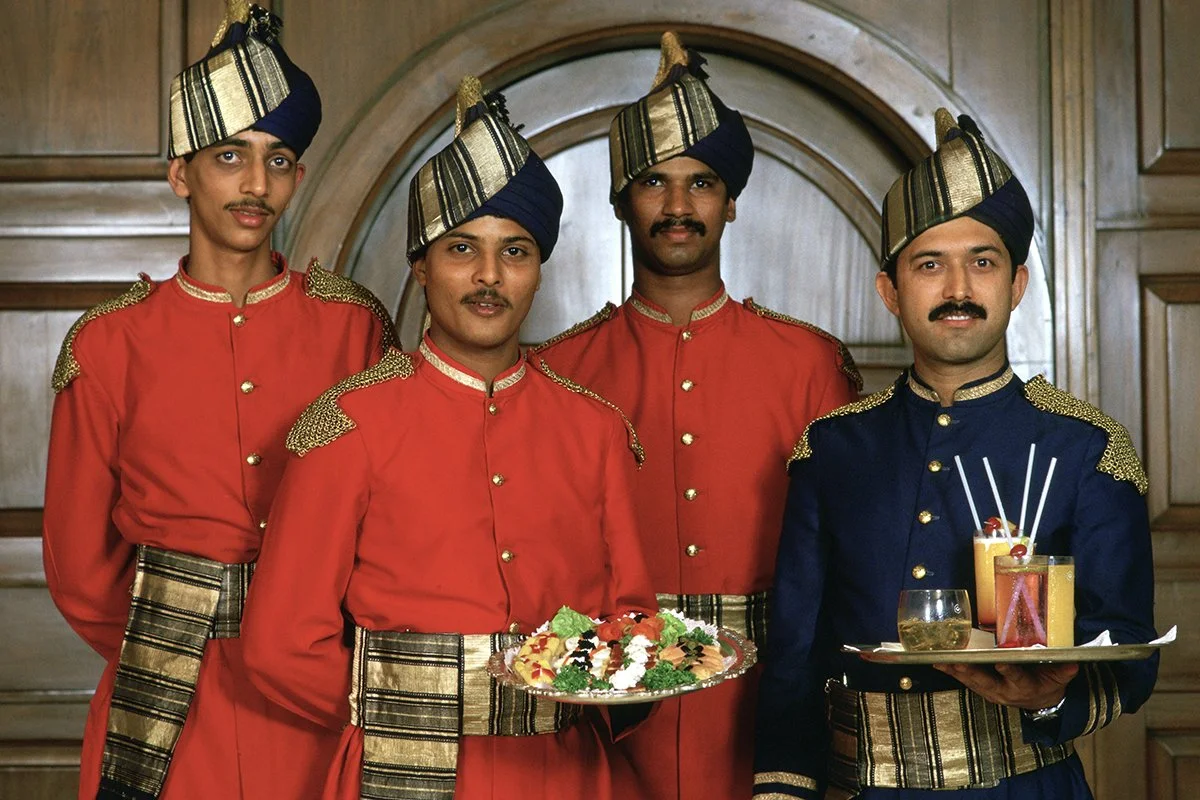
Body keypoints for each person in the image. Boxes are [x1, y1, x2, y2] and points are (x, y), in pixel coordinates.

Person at [241, 75, 657, 800]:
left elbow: (632, 621)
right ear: (420, 266)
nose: (489, 276)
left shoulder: (596, 430)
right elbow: (280, 643)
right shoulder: (346, 424)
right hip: (397, 767)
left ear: (538, 271)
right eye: (462, 248)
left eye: (516, 252)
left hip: (561, 775)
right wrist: (407, 704)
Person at [42, 3, 397, 798]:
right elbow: (78, 568)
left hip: (316, 691)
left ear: (298, 177)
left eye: (278, 160)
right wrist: (170, 637)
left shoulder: (355, 326)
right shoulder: (107, 344)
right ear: (180, 174)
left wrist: (308, 642)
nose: (256, 183)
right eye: (230, 156)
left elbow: (398, 519)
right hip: (163, 696)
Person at [753, 108, 1159, 799]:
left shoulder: (1088, 446)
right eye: (930, 265)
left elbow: (1128, 655)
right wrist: (782, 789)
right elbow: (793, 659)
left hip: (1022, 786)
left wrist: (1045, 699)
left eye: (983, 262)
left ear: (1017, 285)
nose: (959, 290)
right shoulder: (831, 448)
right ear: (891, 292)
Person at [534, 31, 862, 799]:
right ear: (621, 199)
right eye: (654, 182)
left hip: (769, 707)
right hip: (609, 710)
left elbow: (849, 555)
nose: (678, 206)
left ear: (732, 201)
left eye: (701, 183)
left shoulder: (808, 362)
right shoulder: (559, 369)